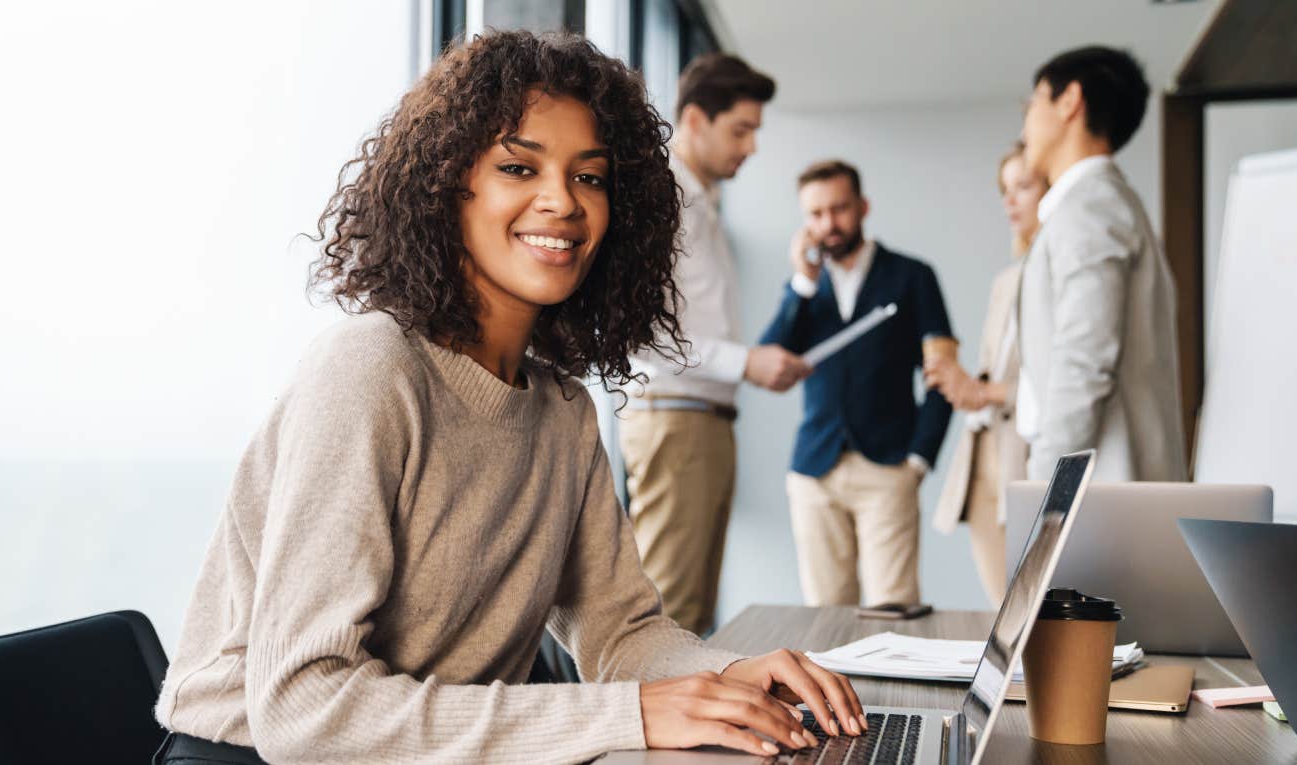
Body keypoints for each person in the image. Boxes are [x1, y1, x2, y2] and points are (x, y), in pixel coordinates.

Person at [152, 32, 866, 765]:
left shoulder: (563, 410)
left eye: (589, 177)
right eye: (518, 167)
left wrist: (725, 678)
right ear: (444, 185)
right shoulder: (369, 368)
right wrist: (621, 713)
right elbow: (305, 708)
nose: (562, 201)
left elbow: (621, 631)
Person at [621, 53, 808, 636]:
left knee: (692, 613)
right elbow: (642, 331)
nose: (751, 147)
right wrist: (745, 361)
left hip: (702, 420)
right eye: (741, 130)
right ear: (696, 121)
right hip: (678, 419)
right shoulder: (667, 199)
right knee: (669, 613)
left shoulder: (701, 201)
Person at [760, 160, 953, 609]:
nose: (829, 223)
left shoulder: (912, 276)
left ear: (863, 207)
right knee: (825, 615)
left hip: (888, 467)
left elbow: (943, 374)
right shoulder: (805, 289)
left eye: (840, 208)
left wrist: (920, 459)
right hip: (814, 470)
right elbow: (768, 362)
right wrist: (802, 285)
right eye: (816, 214)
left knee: (893, 610)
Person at [1010, 45, 1187, 483]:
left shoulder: (1090, 207)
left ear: (1069, 101)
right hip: (1108, 482)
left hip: (1101, 487)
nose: (1025, 124)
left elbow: (1084, 360)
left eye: (1032, 104)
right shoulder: (1102, 203)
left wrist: (1043, 482)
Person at [927, 144, 1047, 607]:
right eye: (1004, 190)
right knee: (1004, 611)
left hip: (1027, 457)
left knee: (1036, 609)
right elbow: (993, 374)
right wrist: (962, 385)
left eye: (1023, 186)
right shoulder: (1007, 280)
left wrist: (984, 390)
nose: (1010, 201)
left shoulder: (1060, 277)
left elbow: (1063, 383)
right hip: (981, 461)